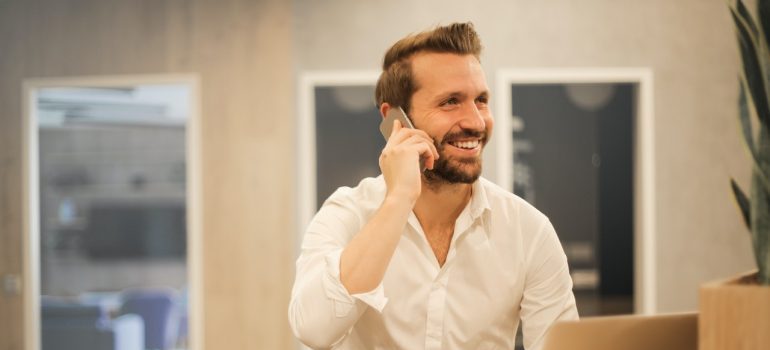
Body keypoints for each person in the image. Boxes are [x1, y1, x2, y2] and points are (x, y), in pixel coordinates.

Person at [289, 22, 578, 350]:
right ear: (396, 119)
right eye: (451, 102)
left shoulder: (529, 231)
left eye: (480, 100)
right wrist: (398, 199)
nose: (476, 121)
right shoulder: (348, 213)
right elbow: (313, 330)